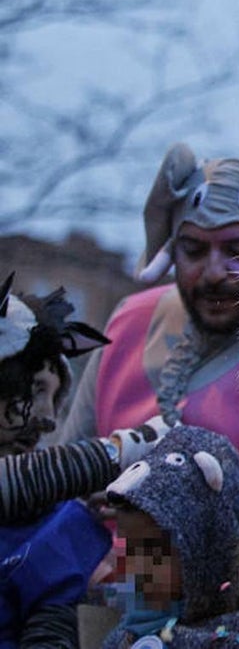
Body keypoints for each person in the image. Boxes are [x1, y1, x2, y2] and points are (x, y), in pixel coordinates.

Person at [50, 144, 239, 646]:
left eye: (237, 250)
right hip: (115, 553)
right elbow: (65, 466)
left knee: (220, 581)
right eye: (193, 249)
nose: (213, 271)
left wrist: (173, 509)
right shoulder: (128, 322)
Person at [0, 276, 173, 647]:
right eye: (33, 391)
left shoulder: (59, 526)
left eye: (54, 393)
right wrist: (123, 449)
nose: (47, 416)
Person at [101, 425, 239, 648]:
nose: (132, 566)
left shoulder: (236, 640)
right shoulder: (130, 628)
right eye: (126, 548)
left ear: (207, 548)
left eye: (154, 552)